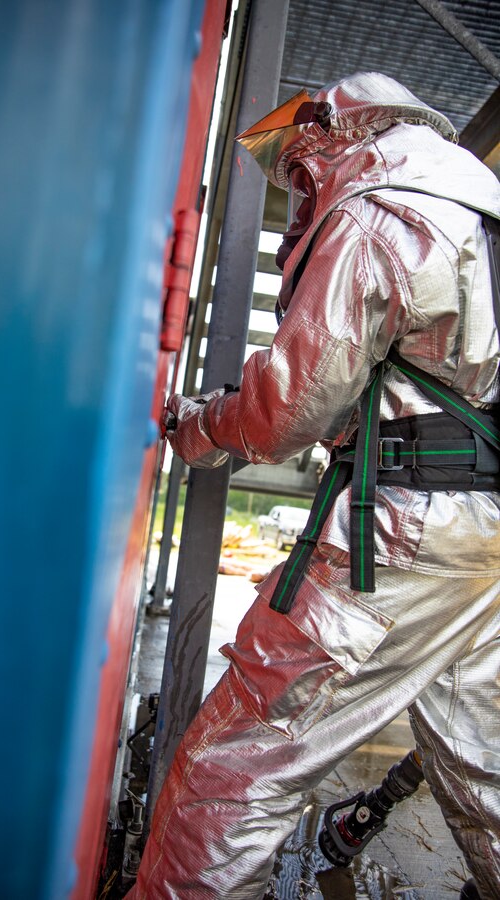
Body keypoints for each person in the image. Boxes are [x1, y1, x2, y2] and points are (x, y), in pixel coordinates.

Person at [129, 72, 500, 899]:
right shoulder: (481, 207)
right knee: (489, 779)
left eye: (299, 168)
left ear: (337, 131)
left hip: (402, 536)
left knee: (228, 772)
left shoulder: (381, 210)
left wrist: (200, 424)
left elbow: (285, 411)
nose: (300, 190)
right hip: (487, 536)